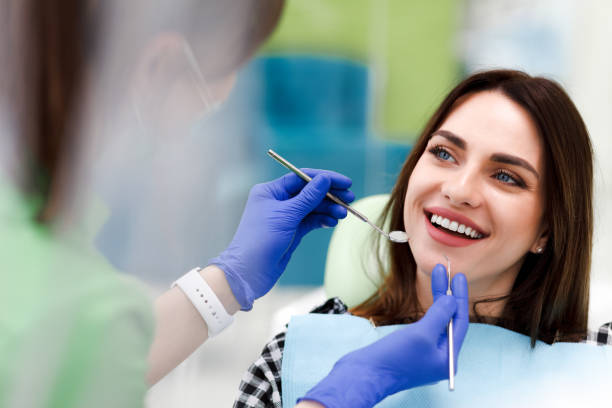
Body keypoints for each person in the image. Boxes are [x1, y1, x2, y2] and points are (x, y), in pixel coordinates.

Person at [0, 1, 470, 407]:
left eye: (508, 176)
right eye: (232, 66)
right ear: (159, 65)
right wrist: (341, 395)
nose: (460, 190)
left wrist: (226, 280)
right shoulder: (77, 307)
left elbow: (77, 362)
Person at [234, 69, 612, 408]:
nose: (459, 190)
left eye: (505, 176)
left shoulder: (599, 362)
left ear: (547, 229)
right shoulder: (292, 357)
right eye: (444, 153)